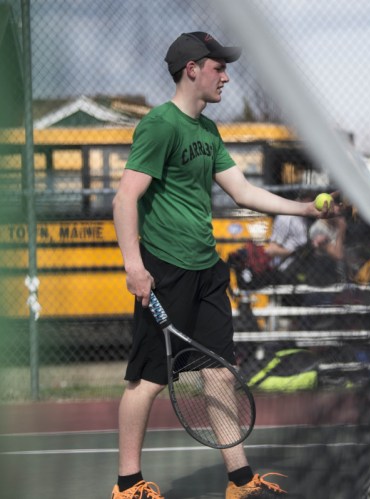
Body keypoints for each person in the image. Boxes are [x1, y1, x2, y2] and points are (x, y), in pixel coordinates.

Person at [111, 31, 338, 499]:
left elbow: (244, 193)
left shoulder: (208, 131)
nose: (226, 77)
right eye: (218, 68)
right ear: (192, 69)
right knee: (148, 380)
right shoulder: (160, 125)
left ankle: (239, 481)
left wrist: (304, 209)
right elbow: (124, 197)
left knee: (219, 374)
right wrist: (134, 265)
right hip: (164, 270)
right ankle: (127, 485)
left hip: (207, 270)